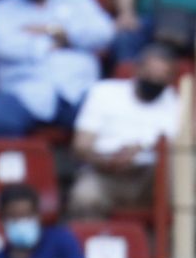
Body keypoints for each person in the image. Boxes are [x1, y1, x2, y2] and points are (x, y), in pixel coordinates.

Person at [0, 0, 116, 135]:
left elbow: (104, 33)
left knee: (108, 121)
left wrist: (59, 32)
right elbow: (5, 47)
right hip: (24, 89)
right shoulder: (0, 8)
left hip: (77, 88)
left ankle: (89, 162)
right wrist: (55, 40)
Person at [68, 43, 180, 218]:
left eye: (162, 77)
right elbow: (81, 146)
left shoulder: (175, 103)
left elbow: (175, 146)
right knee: (85, 196)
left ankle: (179, 239)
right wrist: (108, 161)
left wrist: (139, 150)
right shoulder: (104, 92)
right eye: (150, 74)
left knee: (178, 170)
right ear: (137, 70)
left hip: (149, 178)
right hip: (104, 173)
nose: (154, 81)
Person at [0, 182, 83, 258]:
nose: (21, 222)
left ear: (38, 216)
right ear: (3, 221)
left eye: (26, 216)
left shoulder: (62, 242)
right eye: (14, 217)